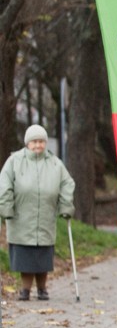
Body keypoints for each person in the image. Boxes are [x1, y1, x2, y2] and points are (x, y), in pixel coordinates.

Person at [0, 124, 75, 301]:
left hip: (45, 217)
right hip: (21, 218)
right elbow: (4, 184)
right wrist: (6, 207)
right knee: (25, 255)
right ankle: (25, 290)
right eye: (34, 142)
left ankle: (42, 289)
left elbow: (67, 183)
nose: (38, 145)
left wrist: (65, 205)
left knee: (43, 255)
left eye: (41, 141)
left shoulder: (55, 163)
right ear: (27, 143)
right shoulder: (15, 161)